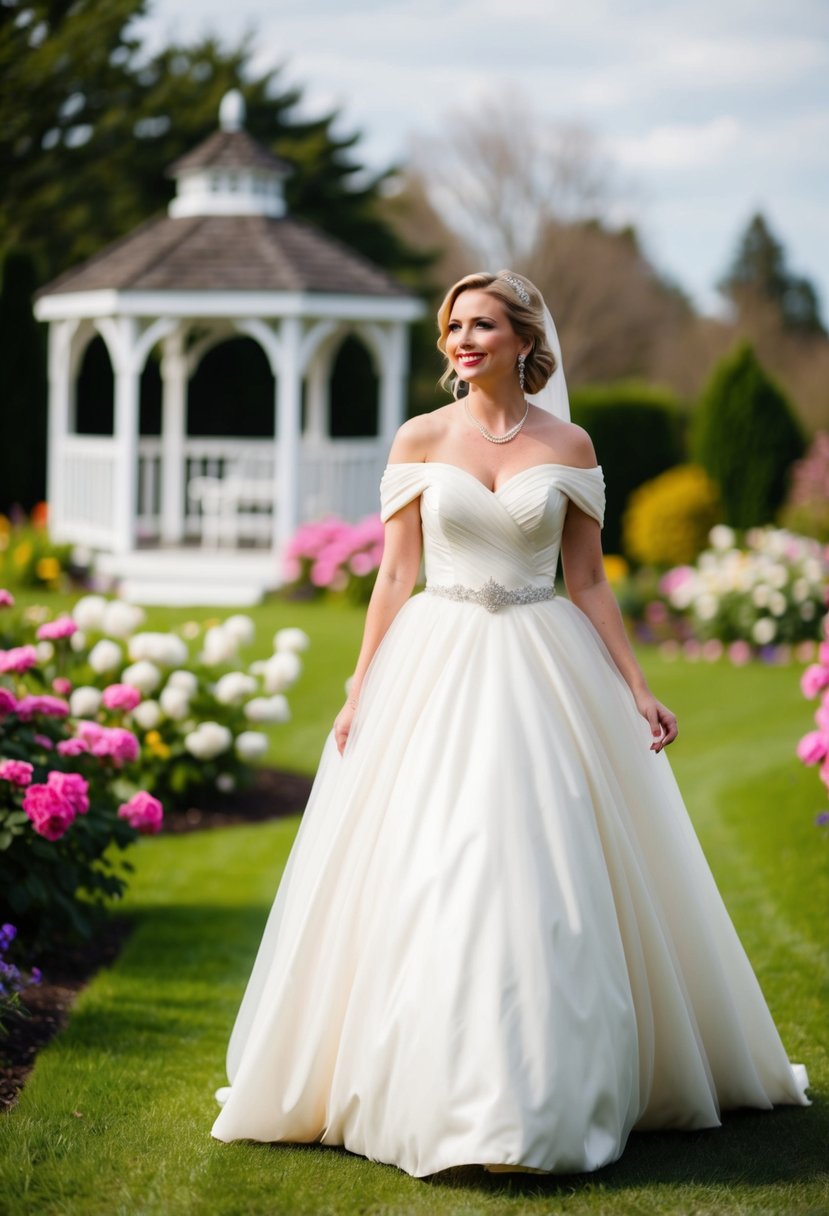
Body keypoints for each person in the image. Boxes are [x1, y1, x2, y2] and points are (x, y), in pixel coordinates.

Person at [212, 270, 808, 1176]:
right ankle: (435, 1088)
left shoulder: (567, 441)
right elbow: (395, 574)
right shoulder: (419, 437)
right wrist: (360, 684)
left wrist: (635, 685)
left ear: (523, 340)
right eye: (453, 326)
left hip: (544, 661)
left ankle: (545, 1090)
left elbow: (590, 581)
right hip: (435, 659)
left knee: (541, 863)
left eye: (480, 325)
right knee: (437, 862)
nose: (461, 340)